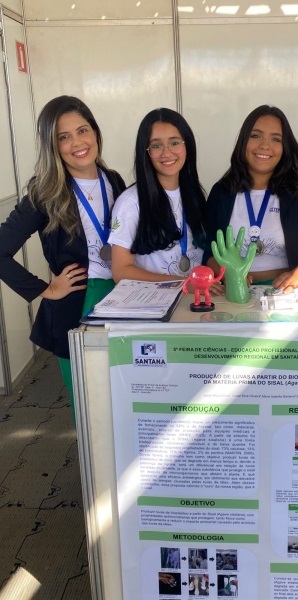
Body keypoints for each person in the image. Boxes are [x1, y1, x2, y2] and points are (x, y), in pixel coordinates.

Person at [0, 95, 126, 416]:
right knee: (90, 408)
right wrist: (46, 289)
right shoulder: (44, 192)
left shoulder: (113, 180)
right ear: (52, 145)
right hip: (76, 306)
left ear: (95, 132)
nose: (77, 143)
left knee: (123, 394)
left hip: (121, 299)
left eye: (83, 130)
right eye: (63, 137)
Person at [204, 105, 298, 291]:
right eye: (256, 136)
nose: (265, 145)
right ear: (244, 141)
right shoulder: (222, 192)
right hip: (233, 292)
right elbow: (209, 252)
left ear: (285, 147)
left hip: (285, 292)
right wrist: (230, 276)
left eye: (275, 139)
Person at [109, 107, 221, 295]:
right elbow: (121, 272)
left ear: (187, 146)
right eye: (156, 145)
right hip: (152, 304)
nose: (166, 152)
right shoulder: (131, 202)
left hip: (194, 301)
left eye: (174, 143)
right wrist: (183, 284)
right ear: (146, 152)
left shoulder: (194, 195)